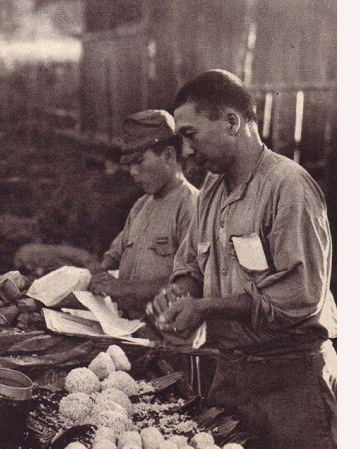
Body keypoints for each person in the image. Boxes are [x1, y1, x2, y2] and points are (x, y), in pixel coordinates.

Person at [151, 70, 337, 449]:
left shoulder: (288, 186)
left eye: (190, 134)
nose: (186, 151)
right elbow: (191, 265)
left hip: (292, 385)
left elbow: (300, 295)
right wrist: (179, 294)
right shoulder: (212, 189)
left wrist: (207, 308)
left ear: (232, 122)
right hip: (232, 375)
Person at [89, 110, 198, 320]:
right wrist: (98, 272)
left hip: (164, 329)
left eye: (139, 162)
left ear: (169, 156)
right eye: (129, 164)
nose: (132, 172)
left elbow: (192, 284)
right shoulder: (141, 205)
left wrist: (124, 288)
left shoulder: (191, 206)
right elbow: (114, 254)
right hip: (124, 323)